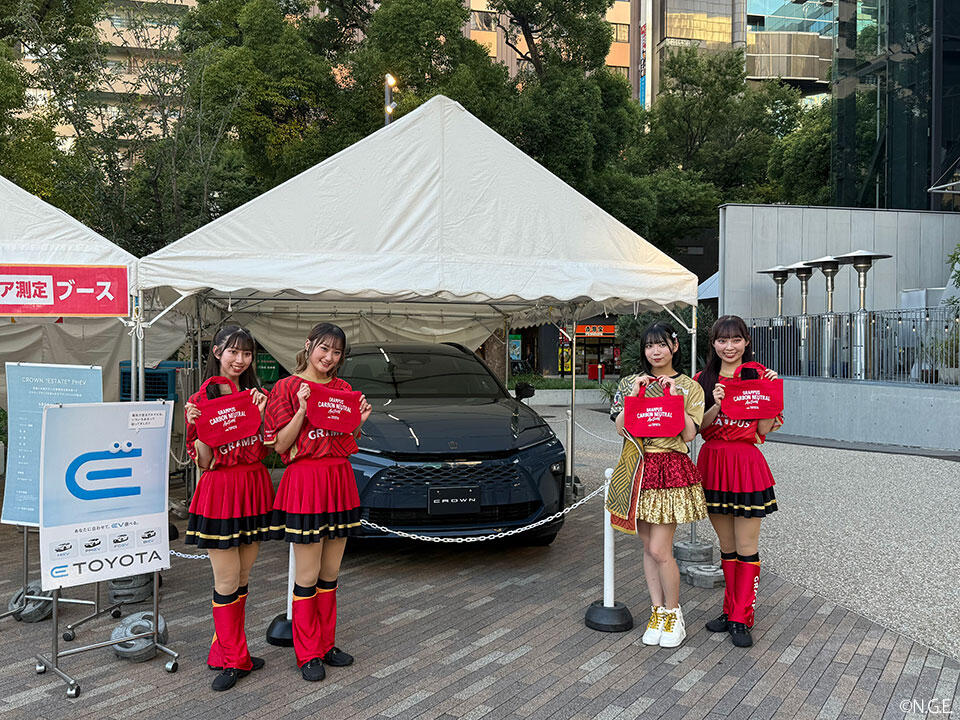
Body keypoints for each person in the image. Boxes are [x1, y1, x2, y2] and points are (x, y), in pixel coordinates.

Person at [264, 322, 372, 682]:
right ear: (309, 346)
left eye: (337, 352)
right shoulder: (286, 387)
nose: (329, 357)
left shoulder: (343, 389)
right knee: (307, 576)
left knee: (330, 575)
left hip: (339, 479)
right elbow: (279, 446)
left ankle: (326, 645)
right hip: (306, 480)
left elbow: (344, 439)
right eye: (323, 348)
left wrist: (359, 422)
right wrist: (301, 410)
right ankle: (307, 652)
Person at [184, 325, 273, 691]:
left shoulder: (258, 396)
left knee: (241, 578)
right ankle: (236, 659)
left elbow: (266, 449)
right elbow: (203, 461)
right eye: (233, 352)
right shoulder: (200, 399)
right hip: (219, 490)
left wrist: (266, 415)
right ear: (217, 351)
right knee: (225, 579)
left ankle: (227, 651)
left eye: (247, 353)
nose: (239, 360)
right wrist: (199, 428)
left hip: (252, 486)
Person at [608, 322, 707, 648]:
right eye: (650, 346)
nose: (656, 351)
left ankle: (674, 613)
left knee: (660, 549)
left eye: (662, 344)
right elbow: (622, 428)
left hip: (669, 469)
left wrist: (675, 397)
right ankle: (657, 612)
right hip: (636, 469)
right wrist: (635, 395)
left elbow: (690, 434)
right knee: (648, 548)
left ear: (674, 347)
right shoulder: (629, 383)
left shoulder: (690, 387)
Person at [695, 315, 781, 648]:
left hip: (745, 463)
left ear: (746, 342)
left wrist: (769, 394)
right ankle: (730, 609)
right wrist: (716, 403)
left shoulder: (759, 375)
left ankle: (743, 616)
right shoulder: (702, 379)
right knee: (727, 546)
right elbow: (697, 428)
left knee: (747, 547)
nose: (729, 347)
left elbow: (763, 429)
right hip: (713, 461)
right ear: (713, 344)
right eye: (722, 340)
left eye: (735, 339)